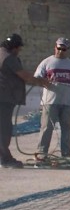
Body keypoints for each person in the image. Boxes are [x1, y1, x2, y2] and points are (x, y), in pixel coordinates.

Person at [0, 34, 50, 168]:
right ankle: (4, 159)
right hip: (4, 98)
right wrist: (41, 82)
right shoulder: (8, 58)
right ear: (14, 47)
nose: (19, 51)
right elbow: (24, 75)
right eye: (19, 48)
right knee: (4, 129)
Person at [34, 37, 70, 159]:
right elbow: (36, 78)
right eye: (59, 48)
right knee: (46, 128)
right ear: (55, 47)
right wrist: (44, 81)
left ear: (68, 50)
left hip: (67, 103)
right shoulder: (46, 62)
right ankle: (42, 153)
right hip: (50, 102)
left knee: (66, 129)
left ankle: (66, 154)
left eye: (64, 49)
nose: (61, 51)